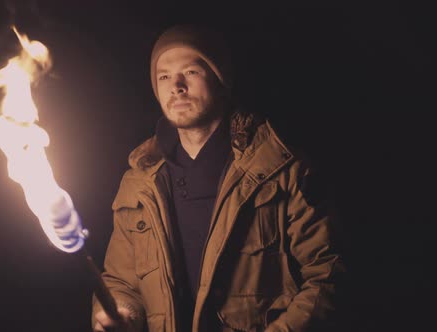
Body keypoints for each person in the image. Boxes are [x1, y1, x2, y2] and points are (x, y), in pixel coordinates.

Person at [92, 24, 345, 332]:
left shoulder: (282, 171)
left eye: (191, 71)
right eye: (164, 76)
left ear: (221, 79)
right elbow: (121, 281)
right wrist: (123, 312)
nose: (177, 86)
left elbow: (326, 275)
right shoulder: (139, 183)